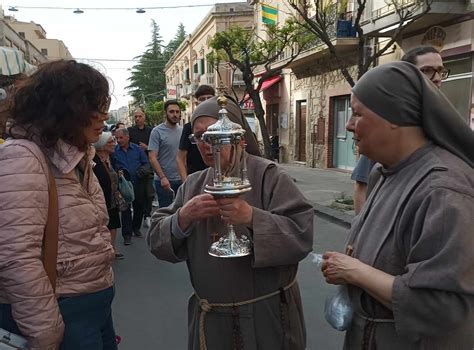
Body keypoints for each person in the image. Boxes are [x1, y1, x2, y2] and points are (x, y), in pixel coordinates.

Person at [322, 61, 474, 349]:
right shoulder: (383, 173)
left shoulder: (443, 192)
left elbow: (442, 306)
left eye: (357, 113)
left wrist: (355, 272)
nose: (348, 124)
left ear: (392, 116)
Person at [147, 96, 314, 350]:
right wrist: (183, 217)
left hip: (266, 319)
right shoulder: (192, 185)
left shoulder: (270, 176)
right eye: (198, 136)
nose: (205, 143)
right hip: (212, 322)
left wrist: (251, 218)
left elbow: (302, 234)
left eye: (213, 134)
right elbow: (157, 239)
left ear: (236, 136)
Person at [0, 60, 117, 349]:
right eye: (95, 107)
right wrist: (45, 330)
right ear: (67, 109)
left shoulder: (78, 156)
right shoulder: (24, 157)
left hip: (92, 309)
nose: (104, 117)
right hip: (61, 314)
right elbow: (16, 256)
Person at [350, 45, 449, 214]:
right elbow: (362, 186)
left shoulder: (443, 190)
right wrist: (359, 235)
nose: (437, 78)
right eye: (426, 71)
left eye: (440, 71)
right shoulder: (385, 136)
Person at [112, 128, 149, 244]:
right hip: (124, 184)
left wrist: (142, 171)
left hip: (138, 181)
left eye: (121, 138)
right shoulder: (114, 151)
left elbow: (146, 163)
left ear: (127, 137)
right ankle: (127, 235)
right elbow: (111, 166)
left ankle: (136, 228)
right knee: (125, 209)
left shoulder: (137, 149)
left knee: (139, 206)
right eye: (116, 138)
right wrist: (117, 172)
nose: (118, 140)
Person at [93, 132, 124, 259]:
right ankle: (104, 249)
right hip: (101, 198)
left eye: (113, 141)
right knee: (104, 224)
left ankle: (112, 248)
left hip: (112, 198)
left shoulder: (112, 158)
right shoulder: (94, 160)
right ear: (102, 144)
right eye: (110, 142)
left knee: (114, 223)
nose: (113, 144)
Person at [176, 85, 215, 181]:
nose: (206, 101)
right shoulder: (188, 127)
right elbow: (180, 158)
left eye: (209, 98)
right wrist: (186, 184)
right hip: (196, 178)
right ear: (197, 103)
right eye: (202, 99)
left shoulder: (222, 124)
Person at [148, 99, 183, 208]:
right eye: (171, 112)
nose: (175, 115)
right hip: (164, 181)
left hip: (182, 179)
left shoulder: (183, 131)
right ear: (165, 113)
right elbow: (152, 157)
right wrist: (162, 177)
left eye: (177, 112)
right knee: (166, 214)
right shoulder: (157, 132)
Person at [128, 107, 154, 227]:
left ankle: (147, 215)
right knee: (137, 194)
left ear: (144, 117)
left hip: (149, 165)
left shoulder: (151, 131)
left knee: (149, 192)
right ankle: (136, 218)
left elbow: (156, 147)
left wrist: (147, 147)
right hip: (134, 167)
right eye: (136, 117)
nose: (138, 119)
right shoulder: (130, 131)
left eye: (140, 116)